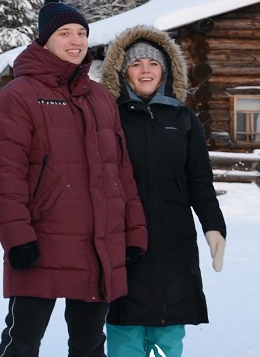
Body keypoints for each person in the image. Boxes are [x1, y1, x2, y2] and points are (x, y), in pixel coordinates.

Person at [0, 0, 148, 357]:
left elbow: (120, 171)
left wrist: (133, 230)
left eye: (81, 33)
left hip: (97, 242)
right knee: (22, 342)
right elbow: (4, 173)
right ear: (44, 41)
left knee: (89, 345)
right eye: (65, 33)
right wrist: (16, 237)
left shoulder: (100, 98)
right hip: (41, 241)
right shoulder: (18, 95)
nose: (76, 41)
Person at [101, 26, 227, 357]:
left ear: (166, 70)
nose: (145, 70)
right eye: (136, 63)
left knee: (169, 331)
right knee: (125, 330)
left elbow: (200, 181)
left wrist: (214, 227)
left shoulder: (184, 119)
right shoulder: (109, 118)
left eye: (153, 63)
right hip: (125, 242)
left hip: (175, 242)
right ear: (123, 72)